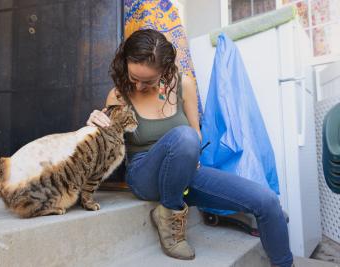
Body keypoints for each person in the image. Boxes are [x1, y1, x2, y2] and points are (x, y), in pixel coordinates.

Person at [86, 29, 293, 267]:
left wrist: (191, 155)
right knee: (184, 137)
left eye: (149, 81)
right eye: (134, 78)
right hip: (145, 174)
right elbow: (107, 141)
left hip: (185, 171)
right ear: (125, 64)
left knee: (266, 201)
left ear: (164, 70)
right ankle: (170, 216)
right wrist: (95, 123)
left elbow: (196, 131)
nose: (140, 86)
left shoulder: (184, 84)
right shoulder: (119, 95)